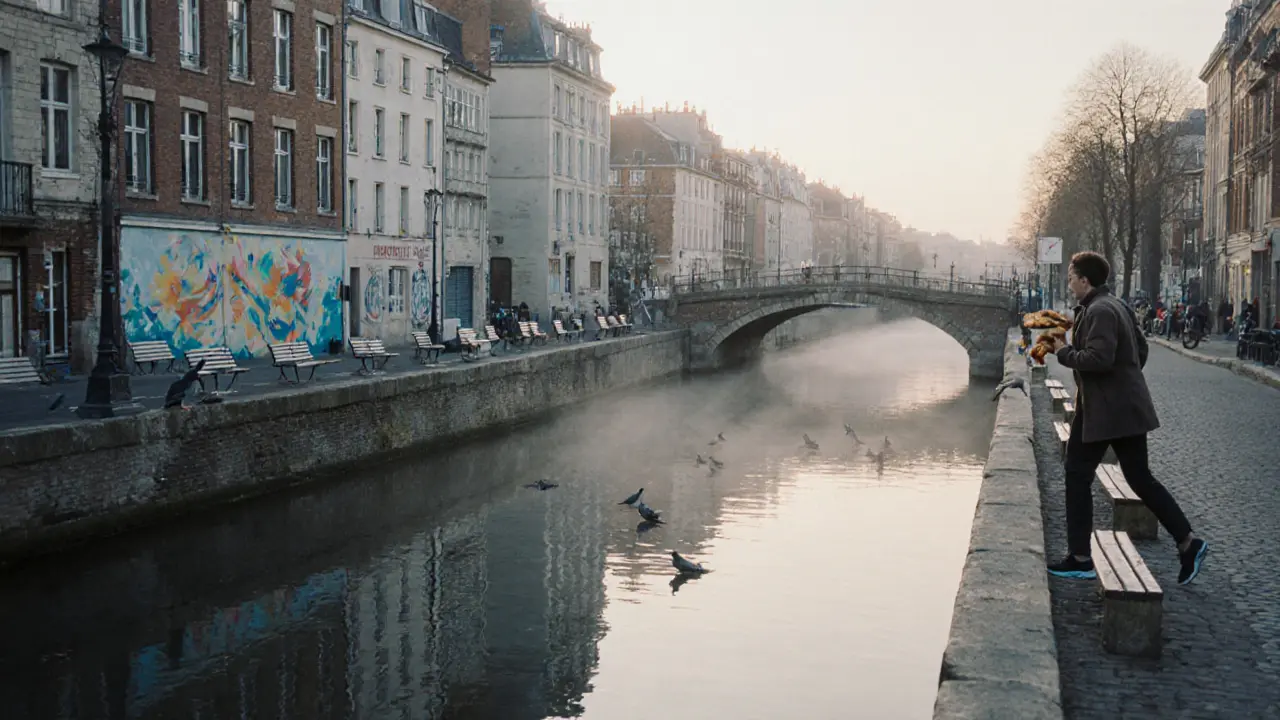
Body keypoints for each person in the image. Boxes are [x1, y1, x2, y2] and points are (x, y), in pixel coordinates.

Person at [1047, 251, 1208, 585]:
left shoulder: (1100, 310)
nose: (1069, 282)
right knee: (1140, 478)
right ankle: (1188, 542)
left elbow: (1099, 358)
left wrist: (1062, 350)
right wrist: (1125, 383)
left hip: (1105, 412)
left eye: (1071, 277)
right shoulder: (1114, 305)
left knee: (1077, 474)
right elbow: (1141, 350)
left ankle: (1080, 558)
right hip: (1124, 408)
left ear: (1084, 280)